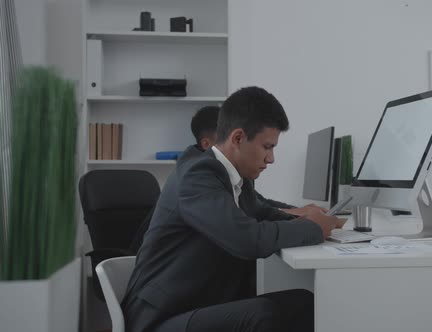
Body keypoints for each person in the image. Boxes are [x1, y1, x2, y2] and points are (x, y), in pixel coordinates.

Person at [122, 86, 341, 332]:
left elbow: (263, 212)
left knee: (304, 302)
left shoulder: (235, 177)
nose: (271, 159)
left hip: (196, 303)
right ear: (237, 138)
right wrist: (312, 228)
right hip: (161, 317)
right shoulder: (198, 175)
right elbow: (246, 239)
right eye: (267, 147)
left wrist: (323, 221)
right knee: (262, 315)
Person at [190, 105, 327, 217]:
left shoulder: (235, 171)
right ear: (206, 144)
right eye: (222, 139)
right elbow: (244, 231)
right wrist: (303, 219)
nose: (228, 144)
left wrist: (299, 211)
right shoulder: (199, 176)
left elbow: (258, 205)